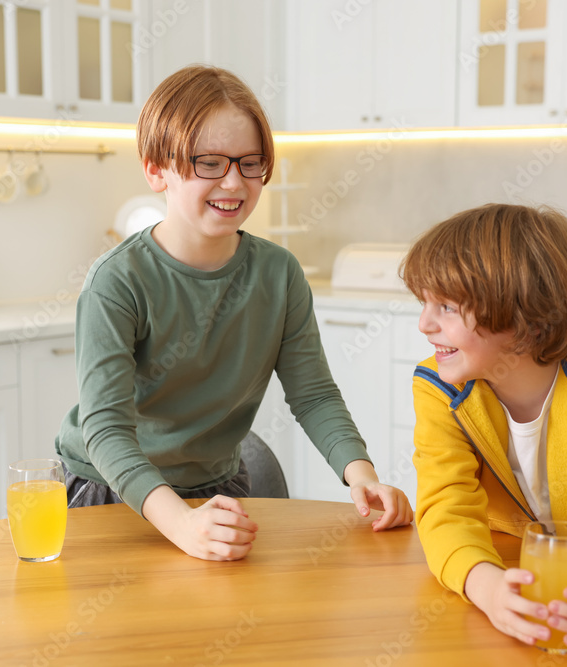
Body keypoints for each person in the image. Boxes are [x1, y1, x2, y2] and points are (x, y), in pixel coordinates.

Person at [55, 65, 413, 562]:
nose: (234, 181)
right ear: (156, 168)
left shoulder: (278, 274)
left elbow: (313, 395)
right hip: (112, 492)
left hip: (218, 486)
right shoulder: (117, 281)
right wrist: (180, 523)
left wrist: (363, 476)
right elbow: (106, 430)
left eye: (250, 163)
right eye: (209, 163)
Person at [400, 203, 567, 655]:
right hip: (494, 573)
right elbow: (445, 509)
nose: (424, 323)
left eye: (445, 306)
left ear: (521, 313)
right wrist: (486, 587)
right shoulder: (438, 389)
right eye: (424, 303)